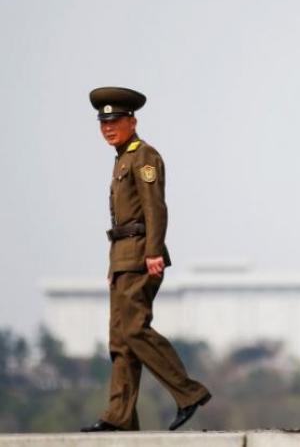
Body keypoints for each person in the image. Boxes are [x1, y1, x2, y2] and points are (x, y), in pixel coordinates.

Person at [81, 87, 211, 432]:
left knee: (134, 328)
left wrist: (154, 251)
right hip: (123, 257)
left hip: (141, 255)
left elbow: (155, 208)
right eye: (103, 123)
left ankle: (188, 392)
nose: (108, 128)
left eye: (115, 121)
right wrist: (113, 267)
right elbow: (120, 221)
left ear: (132, 121)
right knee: (120, 339)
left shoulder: (144, 156)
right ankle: (119, 417)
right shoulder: (122, 158)